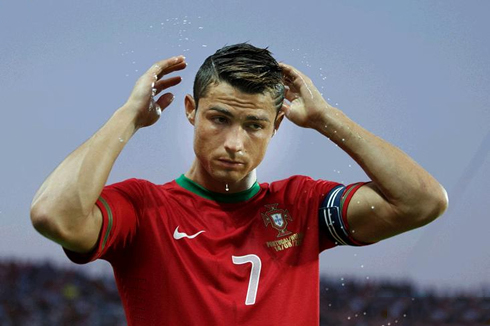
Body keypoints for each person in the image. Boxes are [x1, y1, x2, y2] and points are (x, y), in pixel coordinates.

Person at [30, 43, 448, 325]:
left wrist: (326, 118)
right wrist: (128, 116)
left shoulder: (301, 205)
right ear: (191, 111)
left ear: (277, 126)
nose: (234, 143)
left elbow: (422, 201)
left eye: (254, 125)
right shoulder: (144, 208)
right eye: (220, 118)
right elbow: (54, 215)